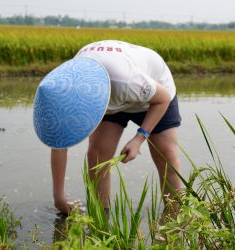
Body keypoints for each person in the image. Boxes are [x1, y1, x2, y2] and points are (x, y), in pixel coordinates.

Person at [45, 40, 182, 215]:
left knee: (166, 156)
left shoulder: (126, 80)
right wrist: (59, 197)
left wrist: (139, 138)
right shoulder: (66, 88)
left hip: (154, 96)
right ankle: (101, 217)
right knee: (97, 156)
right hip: (110, 94)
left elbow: (162, 98)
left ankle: (176, 218)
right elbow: (59, 143)